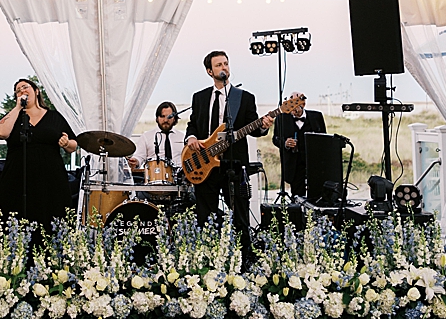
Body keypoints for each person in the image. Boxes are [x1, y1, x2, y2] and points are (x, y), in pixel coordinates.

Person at [186, 51, 274, 241]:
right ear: (210, 71)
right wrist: (191, 138)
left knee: (240, 214)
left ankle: (243, 259)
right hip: (206, 164)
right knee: (205, 216)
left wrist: (264, 126)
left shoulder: (244, 97)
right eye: (218, 65)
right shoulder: (199, 97)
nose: (224, 67)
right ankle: (208, 256)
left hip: (233, 164)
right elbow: (193, 124)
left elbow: (253, 128)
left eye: (226, 63)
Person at [0, 77, 79, 227]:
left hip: (50, 179)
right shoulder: (14, 117)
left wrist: (66, 143)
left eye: (25, 87)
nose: (22, 91)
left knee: (51, 217)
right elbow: (1, 132)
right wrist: (18, 108)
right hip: (17, 177)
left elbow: (73, 145)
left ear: (36, 91)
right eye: (18, 91)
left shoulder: (54, 117)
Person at [271, 94, 328, 198]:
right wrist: (285, 143)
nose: (293, 111)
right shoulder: (281, 118)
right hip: (294, 163)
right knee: (297, 195)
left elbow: (324, 138)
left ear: (303, 105)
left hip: (313, 162)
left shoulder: (317, 116)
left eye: (295, 107)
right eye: (291, 107)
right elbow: (275, 139)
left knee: (317, 194)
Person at [130, 101, 186, 176]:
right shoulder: (146, 136)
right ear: (157, 118)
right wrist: (135, 161)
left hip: (179, 180)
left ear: (175, 118)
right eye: (162, 116)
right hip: (155, 178)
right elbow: (139, 156)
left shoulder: (183, 137)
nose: (165, 120)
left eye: (169, 117)